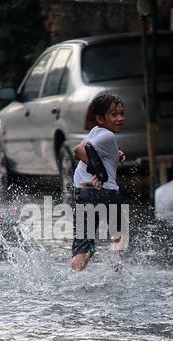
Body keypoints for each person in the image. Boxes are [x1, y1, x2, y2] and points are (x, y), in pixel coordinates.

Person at [71, 93, 126, 272]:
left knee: (84, 245)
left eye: (122, 114)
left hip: (84, 193)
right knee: (118, 237)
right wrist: (99, 173)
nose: (120, 118)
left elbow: (92, 150)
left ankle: (76, 278)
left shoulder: (95, 132)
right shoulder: (108, 136)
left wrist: (116, 156)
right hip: (106, 193)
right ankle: (117, 272)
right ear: (100, 119)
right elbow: (78, 151)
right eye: (114, 115)